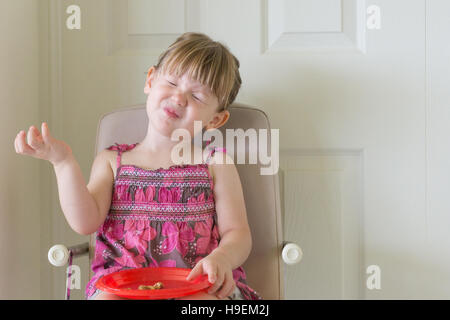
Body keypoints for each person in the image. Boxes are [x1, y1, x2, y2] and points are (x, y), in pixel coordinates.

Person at [14, 32, 262, 300]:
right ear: (150, 80)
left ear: (215, 120)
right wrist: (62, 163)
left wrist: (223, 258)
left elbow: (238, 233)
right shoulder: (112, 162)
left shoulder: (216, 164)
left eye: (197, 96)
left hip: (196, 283)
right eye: (171, 82)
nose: (179, 98)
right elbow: (85, 222)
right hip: (122, 286)